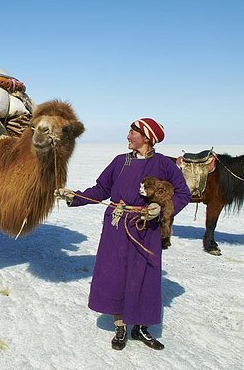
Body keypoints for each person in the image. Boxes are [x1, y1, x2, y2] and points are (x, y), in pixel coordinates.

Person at [55, 118, 191, 351]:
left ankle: (141, 328)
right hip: (117, 227)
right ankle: (120, 325)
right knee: (117, 274)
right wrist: (75, 197)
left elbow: (183, 193)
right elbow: (102, 189)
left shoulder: (164, 165)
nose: (128, 137)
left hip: (147, 229)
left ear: (147, 138)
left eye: (132, 133)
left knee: (144, 276)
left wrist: (161, 208)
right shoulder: (120, 162)